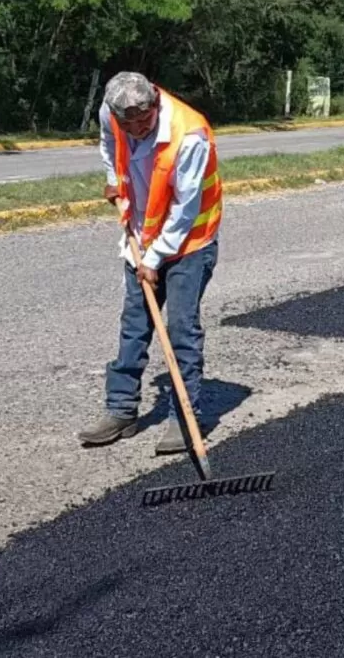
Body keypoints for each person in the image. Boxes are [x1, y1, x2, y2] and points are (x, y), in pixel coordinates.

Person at [77, 71, 223, 454]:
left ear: (155, 102)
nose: (139, 129)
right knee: (134, 326)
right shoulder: (111, 117)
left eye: (145, 120)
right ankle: (121, 410)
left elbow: (185, 208)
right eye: (131, 124)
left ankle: (184, 419)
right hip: (141, 237)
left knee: (181, 329)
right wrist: (113, 179)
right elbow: (108, 144)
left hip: (190, 242)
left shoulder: (190, 135)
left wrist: (155, 258)